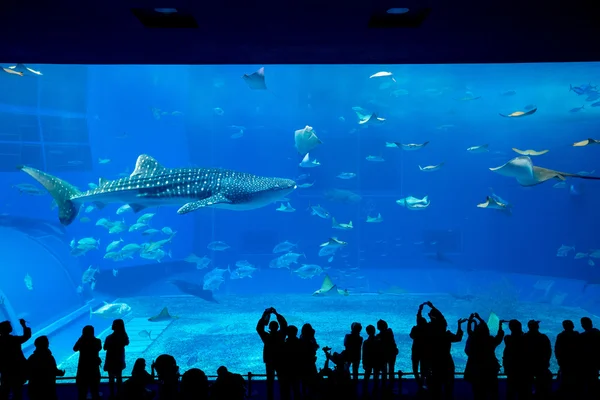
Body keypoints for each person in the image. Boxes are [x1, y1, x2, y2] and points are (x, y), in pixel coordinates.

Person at [256, 307, 288, 400]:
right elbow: (284, 325)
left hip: (269, 361)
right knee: (282, 381)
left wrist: (266, 314)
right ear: (277, 327)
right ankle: (284, 397)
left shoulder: (266, 337)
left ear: (269, 328)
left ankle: (270, 398)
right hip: (280, 360)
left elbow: (259, 327)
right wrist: (276, 314)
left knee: (270, 381)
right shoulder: (281, 335)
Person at [0, 319, 32, 400]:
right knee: (17, 392)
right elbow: (26, 336)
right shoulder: (14, 339)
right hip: (16, 370)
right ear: (8, 329)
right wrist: (24, 325)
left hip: (5, 370)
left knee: (5, 391)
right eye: (9, 326)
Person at [73, 325, 102, 400]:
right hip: (94, 368)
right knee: (95, 391)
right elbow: (99, 348)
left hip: (83, 369)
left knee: (82, 392)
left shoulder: (81, 342)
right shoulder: (97, 341)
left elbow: (75, 349)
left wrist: (81, 338)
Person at [103, 318, 130, 399]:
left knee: (111, 379)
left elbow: (104, 348)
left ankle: (112, 394)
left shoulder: (109, 337)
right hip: (119, 360)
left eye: (113, 324)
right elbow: (126, 343)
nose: (112, 325)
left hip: (110, 360)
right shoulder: (124, 336)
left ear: (116, 326)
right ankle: (119, 394)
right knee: (119, 377)